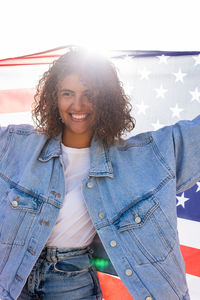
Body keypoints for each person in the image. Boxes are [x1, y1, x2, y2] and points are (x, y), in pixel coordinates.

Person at [0, 47, 199, 300]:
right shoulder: (16, 146)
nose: (78, 104)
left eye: (89, 94)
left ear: (105, 100)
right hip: (12, 277)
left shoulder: (147, 156)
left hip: (72, 279)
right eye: (67, 93)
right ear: (54, 98)